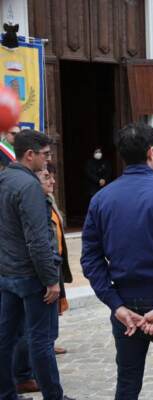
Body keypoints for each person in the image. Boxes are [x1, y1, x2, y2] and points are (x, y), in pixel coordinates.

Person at [81, 122, 153, 400]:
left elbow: (90, 258)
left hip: (126, 305)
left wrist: (115, 304)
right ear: (151, 153)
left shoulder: (101, 199)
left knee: (128, 383)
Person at [0, 130, 74, 400]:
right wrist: (51, 280)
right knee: (41, 340)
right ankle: (54, 396)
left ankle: (6, 393)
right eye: (44, 155)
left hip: (7, 274)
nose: (47, 161)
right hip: (30, 277)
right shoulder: (28, 185)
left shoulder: (4, 179)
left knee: (6, 338)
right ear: (29, 154)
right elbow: (37, 239)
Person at [37, 163, 73, 356]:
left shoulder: (50, 201)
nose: (52, 181)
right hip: (47, 262)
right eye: (47, 177)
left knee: (55, 308)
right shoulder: (37, 204)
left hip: (56, 260)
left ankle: (50, 341)